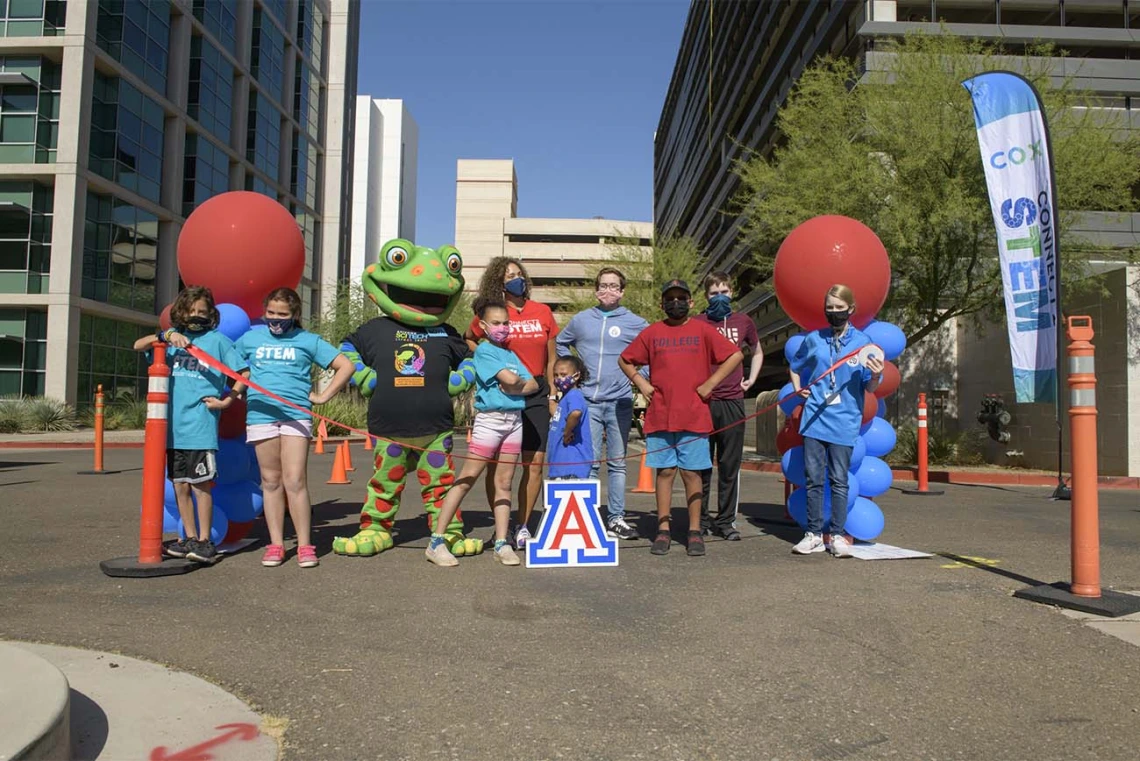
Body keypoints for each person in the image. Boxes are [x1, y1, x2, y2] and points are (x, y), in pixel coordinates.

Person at [618, 279, 743, 558]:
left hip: (694, 415)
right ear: (662, 303)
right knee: (665, 473)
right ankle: (663, 530)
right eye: (670, 298)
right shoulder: (652, 333)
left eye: (681, 298)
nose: (676, 303)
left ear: (691, 302)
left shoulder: (702, 330)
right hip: (661, 414)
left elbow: (734, 355)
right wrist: (641, 383)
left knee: (691, 473)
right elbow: (625, 359)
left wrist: (710, 384)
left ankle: (695, 531)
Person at [233, 287, 354, 568]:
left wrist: (323, 396)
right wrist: (239, 385)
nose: (275, 319)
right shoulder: (250, 338)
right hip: (261, 415)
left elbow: (345, 366)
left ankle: (304, 545)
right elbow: (232, 363)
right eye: (271, 313)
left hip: (295, 416)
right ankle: (276, 544)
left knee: (295, 480)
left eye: (282, 314)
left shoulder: (307, 340)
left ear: (295, 315)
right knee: (271, 481)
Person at [133, 286, 243, 565]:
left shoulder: (217, 341)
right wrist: (165, 334)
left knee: (201, 486)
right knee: (180, 485)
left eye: (203, 312)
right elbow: (138, 346)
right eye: (192, 312)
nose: (197, 317)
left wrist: (227, 400)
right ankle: (189, 538)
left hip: (200, 427)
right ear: (180, 313)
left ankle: (206, 541)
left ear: (212, 314)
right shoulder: (172, 342)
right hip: (173, 430)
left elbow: (243, 373)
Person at [428, 299, 538, 567]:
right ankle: (436, 540)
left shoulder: (510, 355)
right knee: (467, 477)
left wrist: (514, 387)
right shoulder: (485, 352)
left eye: (506, 323)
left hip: (514, 421)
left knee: (504, 482)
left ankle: (502, 542)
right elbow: (513, 380)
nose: (503, 328)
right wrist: (515, 384)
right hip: (490, 421)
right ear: (484, 326)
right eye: (497, 323)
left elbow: (533, 383)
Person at [464, 257, 559, 549]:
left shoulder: (542, 312)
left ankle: (523, 526)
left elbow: (552, 357)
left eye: (519, 274)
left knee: (534, 465)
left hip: (537, 392)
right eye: (508, 276)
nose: (516, 279)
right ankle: (500, 528)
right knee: (498, 467)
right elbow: (470, 338)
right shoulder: (497, 313)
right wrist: (489, 367)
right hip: (504, 395)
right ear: (498, 282)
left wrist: (553, 393)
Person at [789, 283, 883, 557]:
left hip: (845, 420)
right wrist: (798, 388)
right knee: (814, 479)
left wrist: (876, 375)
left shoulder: (862, 343)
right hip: (814, 418)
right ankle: (814, 534)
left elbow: (870, 387)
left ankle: (839, 535)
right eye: (829, 308)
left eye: (839, 309)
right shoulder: (814, 339)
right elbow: (795, 365)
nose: (834, 313)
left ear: (851, 309)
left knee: (839, 479)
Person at [555, 267, 648, 539]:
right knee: (591, 462)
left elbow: (653, 352)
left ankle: (616, 519)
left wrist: (639, 377)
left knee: (617, 462)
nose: (608, 291)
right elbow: (561, 344)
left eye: (614, 286)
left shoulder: (635, 322)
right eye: (603, 285)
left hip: (619, 401)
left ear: (622, 291)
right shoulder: (582, 320)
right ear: (596, 290)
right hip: (588, 402)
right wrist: (573, 374)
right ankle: (589, 518)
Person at [693, 271, 762, 541]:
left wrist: (751, 380)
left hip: (732, 400)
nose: (719, 297)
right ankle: (698, 520)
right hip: (703, 402)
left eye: (724, 292)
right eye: (713, 293)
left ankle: (725, 521)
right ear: (706, 296)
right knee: (700, 465)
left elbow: (756, 351)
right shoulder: (697, 322)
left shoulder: (743, 322)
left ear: (732, 293)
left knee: (729, 464)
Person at [546, 355, 592, 480]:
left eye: (563, 374)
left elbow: (576, 413)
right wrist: (552, 398)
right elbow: (558, 414)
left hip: (571, 465)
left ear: (576, 376)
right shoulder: (566, 397)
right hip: (560, 463)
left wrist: (567, 432)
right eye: (555, 375)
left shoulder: (574, 395)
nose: (558, 379)